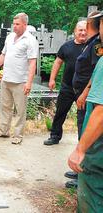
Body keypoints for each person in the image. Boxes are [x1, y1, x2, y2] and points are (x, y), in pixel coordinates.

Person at [68, 13, 103, 211]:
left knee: (94, 198)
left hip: (98, 152)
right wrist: (86, 91)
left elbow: (101, 111)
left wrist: (80, 150)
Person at [0, 13, 38, 144]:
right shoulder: (10, 37)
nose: (14, 27)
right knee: (5, 107)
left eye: (17, 24)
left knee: (20, 110)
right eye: (13, 24)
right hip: (6, 78)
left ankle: (18, 135)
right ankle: (4, 131)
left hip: (20, 81)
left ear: (25, 25)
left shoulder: (30, 40)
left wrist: (29, 83)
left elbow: (32, 63)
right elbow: (3, 55)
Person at [43, 21, 87, 146]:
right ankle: (55, 136)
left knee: (82, 117)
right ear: (75, 31)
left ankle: (82, 142)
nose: (83, 33)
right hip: (67, 87)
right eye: (80, 30)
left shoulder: (91, 47)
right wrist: (52, 79)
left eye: (85, 30)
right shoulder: (66, 46)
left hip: (83, 90)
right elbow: (57, 62)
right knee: (60, 113)